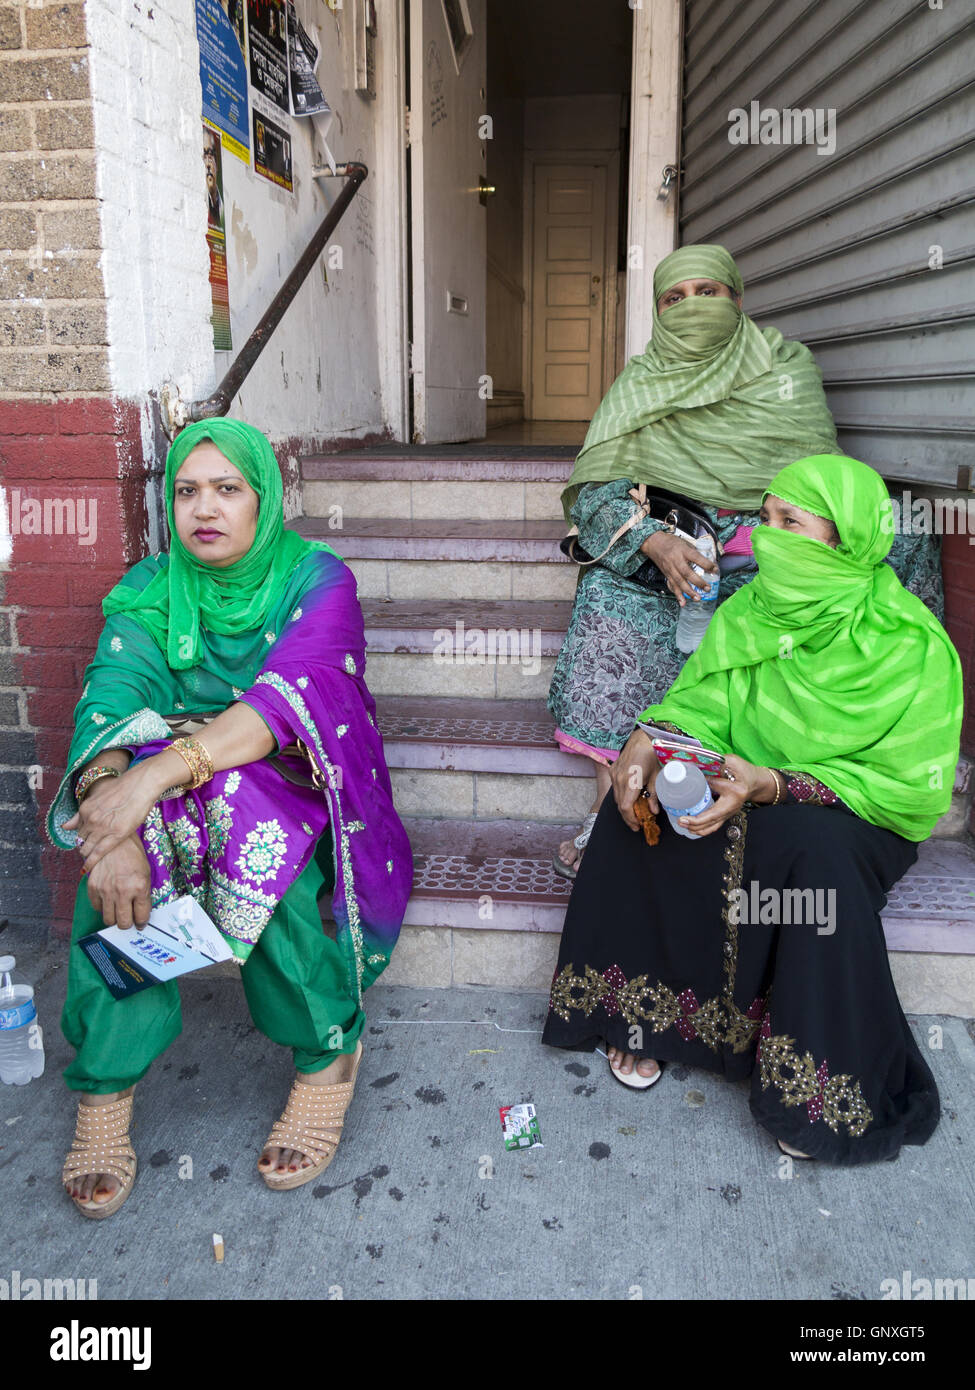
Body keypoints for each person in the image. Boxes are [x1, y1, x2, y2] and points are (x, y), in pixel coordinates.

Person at [542, 453, 963, 1165]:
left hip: (853, 814)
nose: (766, 539)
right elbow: (700, 705)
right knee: (636, 808)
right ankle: (643, 1016)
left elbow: (909, 786)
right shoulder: (750, 612)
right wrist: (644, 744)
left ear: (847, 540)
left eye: (789, 523)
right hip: (741, 781)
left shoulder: (910, 645)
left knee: (810, 850)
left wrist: (774, 784)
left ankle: (809, 1086)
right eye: (763, 519)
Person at [48, 418, 412, 1217]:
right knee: (118, 873)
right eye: (185, 491)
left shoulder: (316, 580)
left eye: (226, 489)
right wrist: (110, 816)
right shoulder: (153, 589)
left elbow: (291, 700)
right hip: (166, 782)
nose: (203, 510)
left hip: (291, 771)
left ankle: (325, 1054)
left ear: (264, 498)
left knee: (257, 847)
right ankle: (107, 1081)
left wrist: (145, 792)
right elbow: (111, 702)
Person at [548, 244, 941, 880]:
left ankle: (861, 742)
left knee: (905, 539)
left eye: (709, 292)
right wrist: (651, 538)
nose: (692, 307)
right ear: (656, 312)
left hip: (779, 547)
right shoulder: (642, 380)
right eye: (674, 299)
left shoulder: (785, 369)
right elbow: (597, 489)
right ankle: (610, 801)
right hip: (677, 555)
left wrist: (787, 544)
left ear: (739, 300)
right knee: (604, 597)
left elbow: (826, 483)